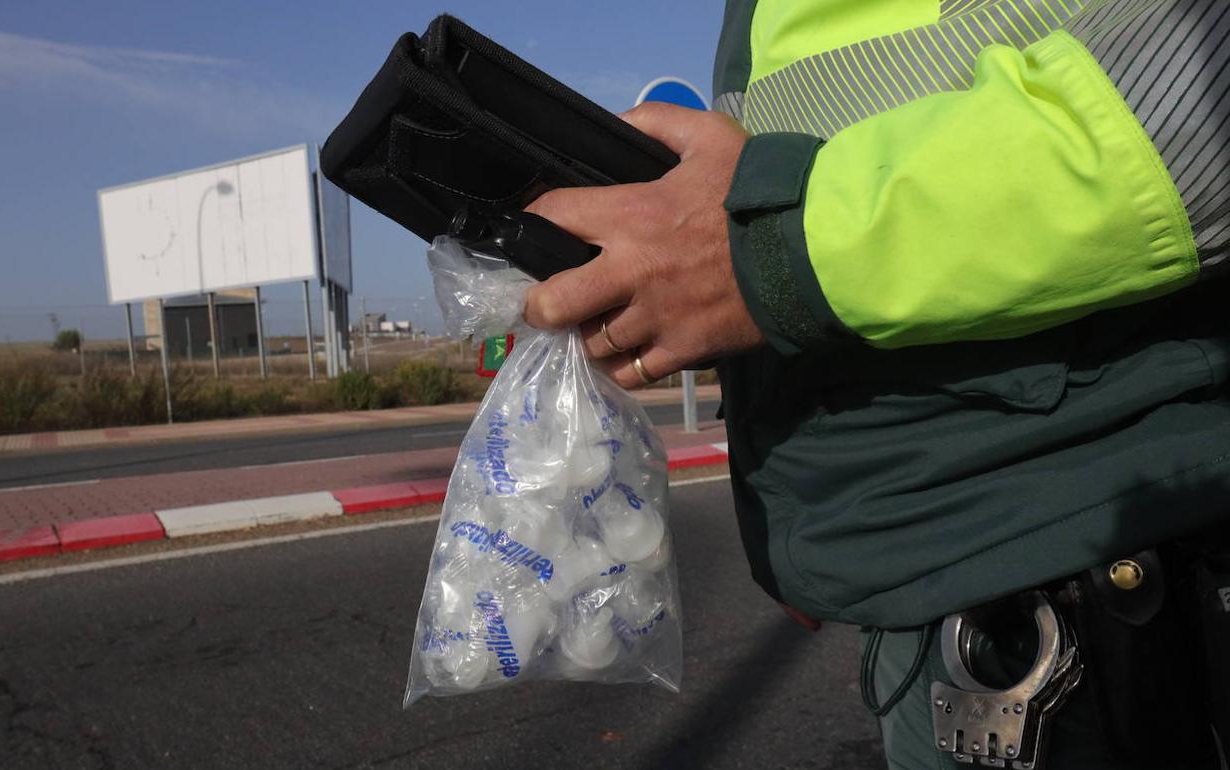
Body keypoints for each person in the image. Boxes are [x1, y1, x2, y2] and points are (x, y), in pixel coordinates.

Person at [523, 1, 1230, 768]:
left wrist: (775, 249)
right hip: (927, 564)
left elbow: (1194, 93)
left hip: (1100, 555)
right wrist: (796, 481)